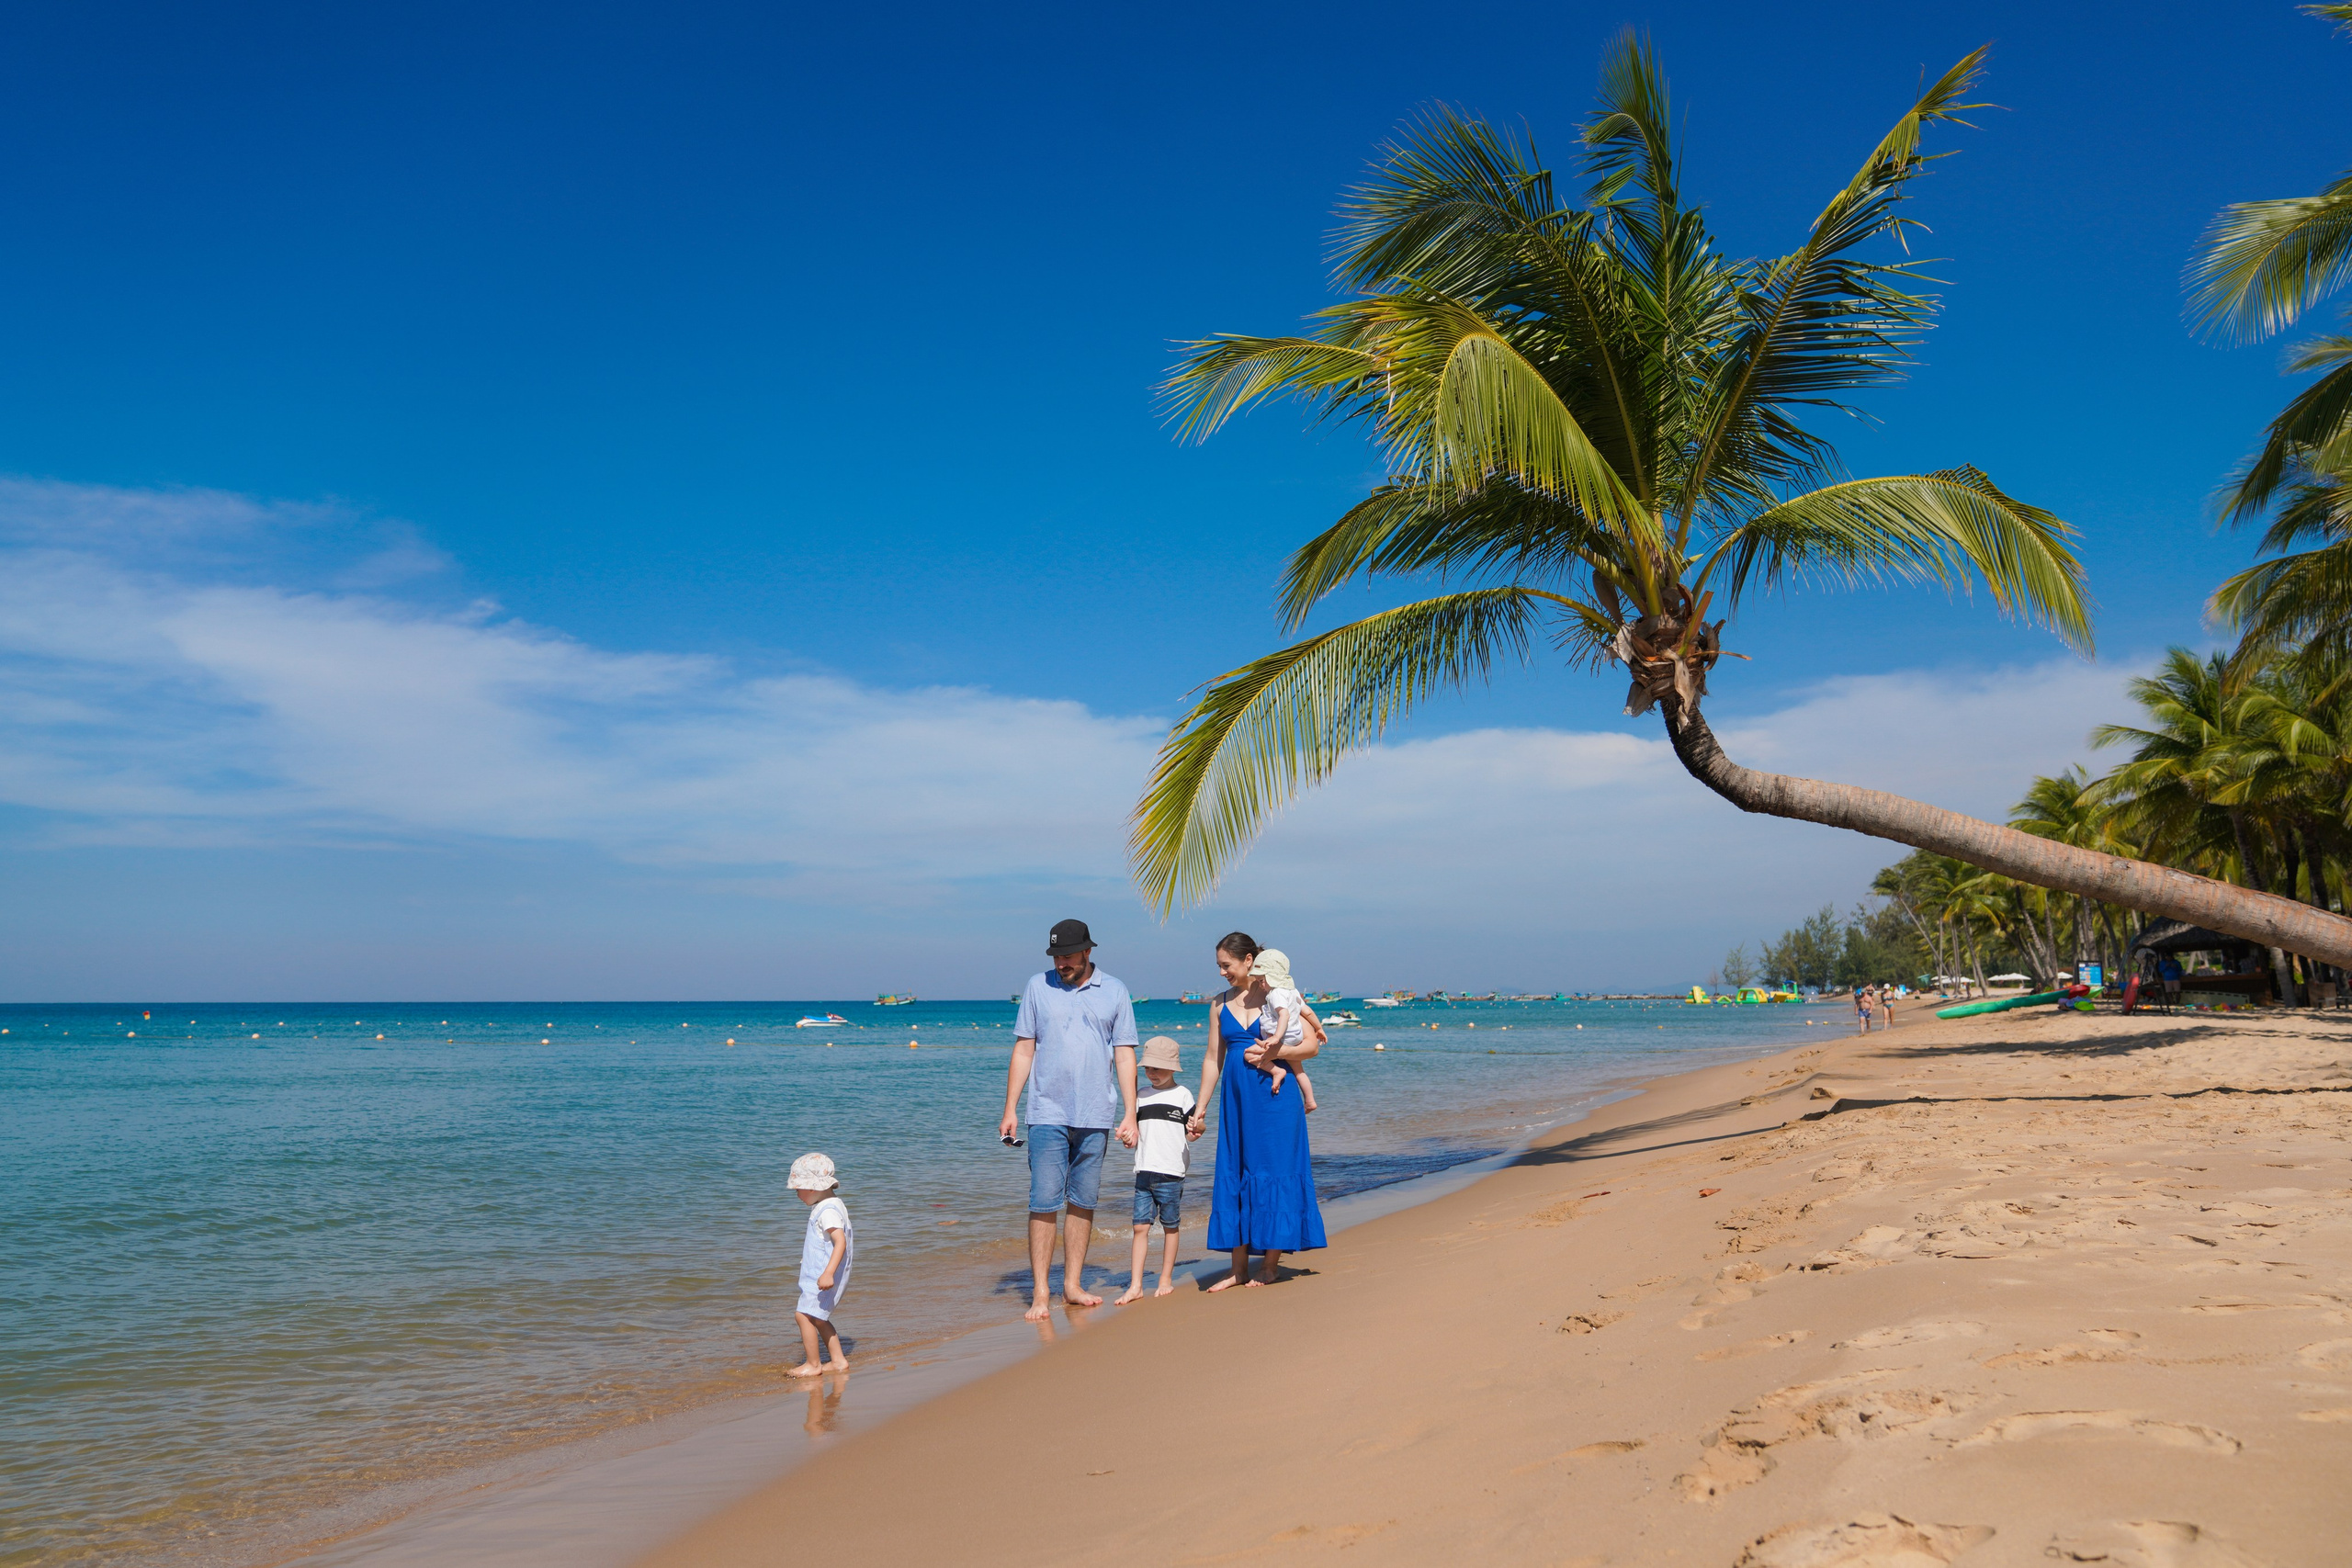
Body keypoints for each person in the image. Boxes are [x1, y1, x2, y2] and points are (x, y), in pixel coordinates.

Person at [1001, 918, 1139, 1322]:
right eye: (1056, 956)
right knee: (1043, 1201)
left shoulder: (1115, 990)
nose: (1061, 963)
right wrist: (1010, 1108)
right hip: (1046, 1113)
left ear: (1087, 952)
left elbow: (1125, 1054)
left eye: (1067, 956)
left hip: (1097, 1113)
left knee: (1083, 1201)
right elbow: (1024, 1049)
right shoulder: (1036, 987)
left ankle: (1073, 1285)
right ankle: (1041, 1292)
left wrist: (1131, 1113)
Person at [1191, 931, 1327, 1290]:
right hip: (1237, 1103)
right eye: (1219, 966)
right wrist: (1199, 1109)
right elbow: (1211, 1059)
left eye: (1227, 965)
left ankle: (1270, 1264)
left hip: (1277, 1099)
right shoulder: (1219, 1004)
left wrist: (1276, 1054)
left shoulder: (1279, 992)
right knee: (1235, 1170)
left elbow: (1311, 1045)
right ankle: (1238, 1269)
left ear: (1249, 961)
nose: (1222, 972)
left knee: (1276, 1169)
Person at [1115, 1035, 1197, 1304]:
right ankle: (1136, 1285)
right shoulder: (1140, 1096)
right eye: (1148, 1068)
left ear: (1173, 1068)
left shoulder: (1182, 1095)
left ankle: (1165, 1279)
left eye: (1158, 1069)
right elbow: (1135, 1132)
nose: (1152, 1073)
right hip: (1144, 1171)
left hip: (1172, 1173)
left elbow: (1197, 1126)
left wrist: (1197, 1129)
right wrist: (1129, 1137)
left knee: (1170, 1227)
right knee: (1140, 1228)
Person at [787, 1152, 852, 1377]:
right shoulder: (832, 1205)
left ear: (812, 1187)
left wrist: (828, 1273)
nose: (796, 1195)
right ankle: (838, 1361)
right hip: (823, 1274)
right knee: (818, 1317)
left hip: (824, 1276)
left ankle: (813, 1364)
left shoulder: (829, 1211)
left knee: (802, 1315)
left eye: (798, 1189)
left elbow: (840, 1241)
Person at [1250, 948, 1323, 1112]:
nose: (1260, 984)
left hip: (1282, 1038)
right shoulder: (1293, 991)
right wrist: (1319, 1029)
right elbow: (1308, 1011)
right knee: (1300, 1072)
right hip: (1295, 1038)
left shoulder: (1275, 994)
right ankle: (1310, 1100)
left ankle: (1277, 1071)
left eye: (1261, 980)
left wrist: (1276, 1037)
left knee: (1249, 1054)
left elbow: (1284, 1015)